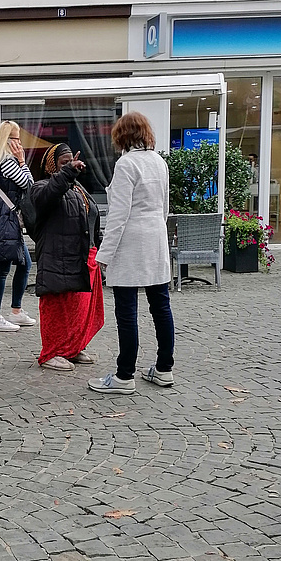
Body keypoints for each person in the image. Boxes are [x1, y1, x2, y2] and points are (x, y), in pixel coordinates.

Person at [89, 112, 175, 395]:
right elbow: (163, 209)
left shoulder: (126, 165)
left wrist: (104, 255)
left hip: (130, 245)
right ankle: (164, 368)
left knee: (127, 312)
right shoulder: (159, 162)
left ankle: (125, 374)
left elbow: (118, 215)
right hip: (155, 241)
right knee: (161, 307)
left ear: (121, 136)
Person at [30, 143, 103, 370]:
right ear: (52, 165)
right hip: (57, 257)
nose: (71, 166)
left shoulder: (77, 187)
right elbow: (48, 197)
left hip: (83, 256)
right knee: (56, 307)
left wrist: (100, 247)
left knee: (79, 309)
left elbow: (92, 218)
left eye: (72, 162)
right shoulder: (40, 187)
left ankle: (73, 347)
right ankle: (51, 353)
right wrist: (68, 173)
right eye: (64, 163)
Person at [0, 120, 36, 332]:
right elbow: (29, 185)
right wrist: (22, 161)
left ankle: (16, 311)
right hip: (4, 221)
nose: (20, 143)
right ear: (9, 141)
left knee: (24, 264)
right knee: (2, 270)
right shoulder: (7, 161)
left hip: (1, 220)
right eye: (17, 139)